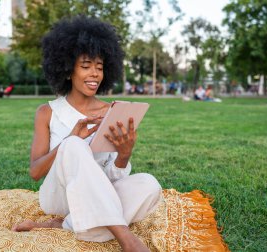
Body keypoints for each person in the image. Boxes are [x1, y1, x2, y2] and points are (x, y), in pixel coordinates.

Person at [11, 16, 161, 252]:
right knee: (73, 145)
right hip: (59, 197)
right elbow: (35, 172)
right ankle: (126, 238)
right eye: (86, 66)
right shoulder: (47, 112)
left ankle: (61, 225)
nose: (94, 74)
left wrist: (124, 155)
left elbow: (113, 178)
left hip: (100, 194)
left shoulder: (110, 111)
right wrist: (71, 139)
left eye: (99, 67)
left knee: (149, 185)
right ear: (68, 69)